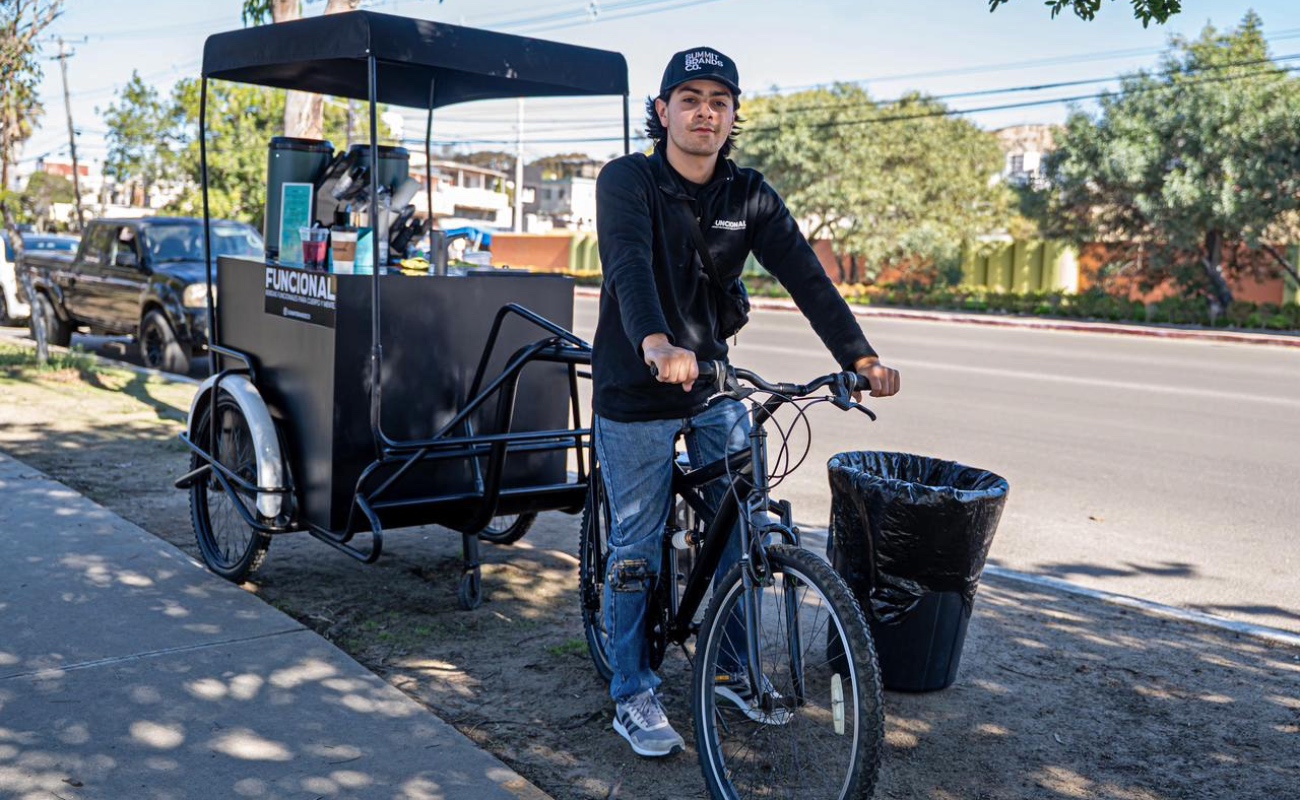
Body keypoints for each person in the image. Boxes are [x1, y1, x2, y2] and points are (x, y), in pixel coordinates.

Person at [592, 46, 901, 758]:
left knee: (742, 524)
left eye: (720, 101)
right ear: (663, 110)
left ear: (732, 118)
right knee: (637, 543)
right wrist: (655, 343)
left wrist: (858, 359)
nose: (706, 111)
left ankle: (728, 667)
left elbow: (806, 276)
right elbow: (629, 267)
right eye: (691, 98)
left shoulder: (749, 193)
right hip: (634, 377)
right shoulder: (627, 180)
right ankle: (632, 690)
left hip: (710, 379)